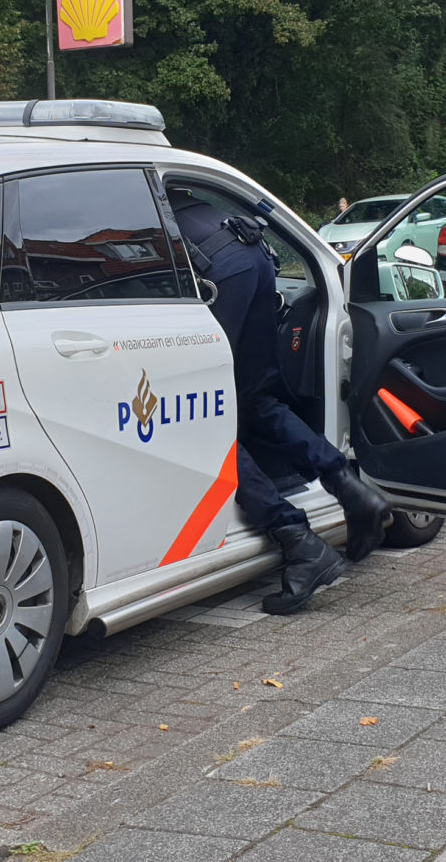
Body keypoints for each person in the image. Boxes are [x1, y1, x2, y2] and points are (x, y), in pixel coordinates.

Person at [168, 190, 391, 613]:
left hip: (211, 271)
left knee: (199, 417)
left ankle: (298, 540)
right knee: (253, 398)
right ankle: (350, 489)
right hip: (249, 255)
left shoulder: (83, 180)